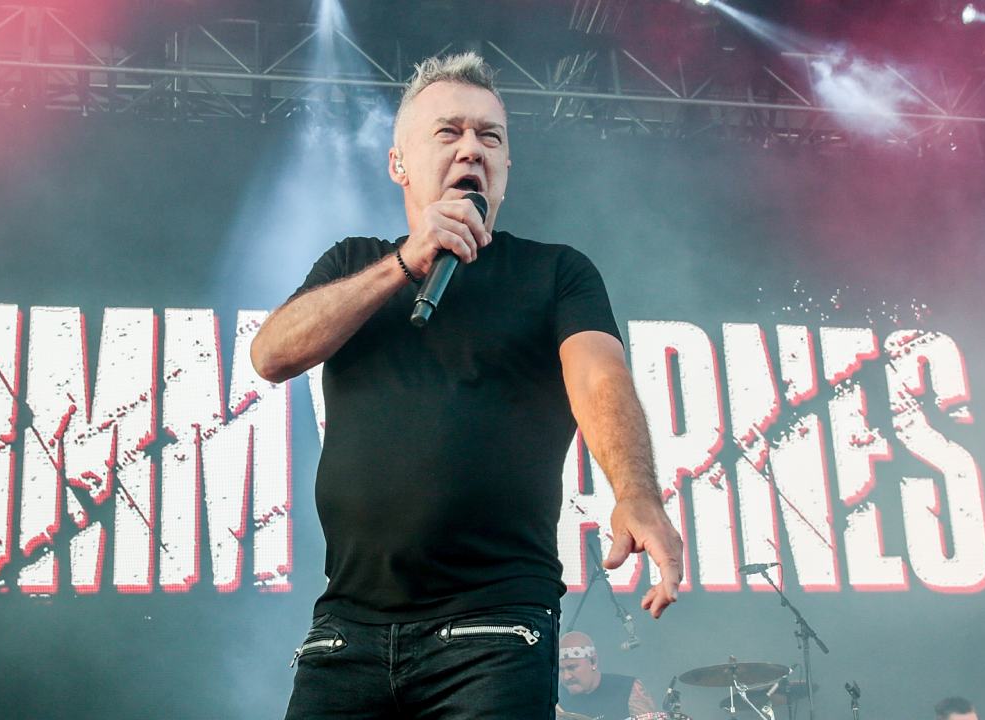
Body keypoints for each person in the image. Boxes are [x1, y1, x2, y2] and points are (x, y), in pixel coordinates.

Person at [251, 51, 684, 720]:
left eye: (490, 137)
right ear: (398, 163)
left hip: (494, 626)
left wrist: (636, 491)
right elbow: (272, 353)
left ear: (506, 166)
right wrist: (404, 263)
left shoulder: (555, 273)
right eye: (449, 132)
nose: (472, 149)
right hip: (346, 631)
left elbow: (600, 374)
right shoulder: (354, 263)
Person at [557, 631, 657, 719]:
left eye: (572, 667)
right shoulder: (557, 699)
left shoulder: (627, 688)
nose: (566, 676)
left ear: (593, 661)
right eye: (561, 670)